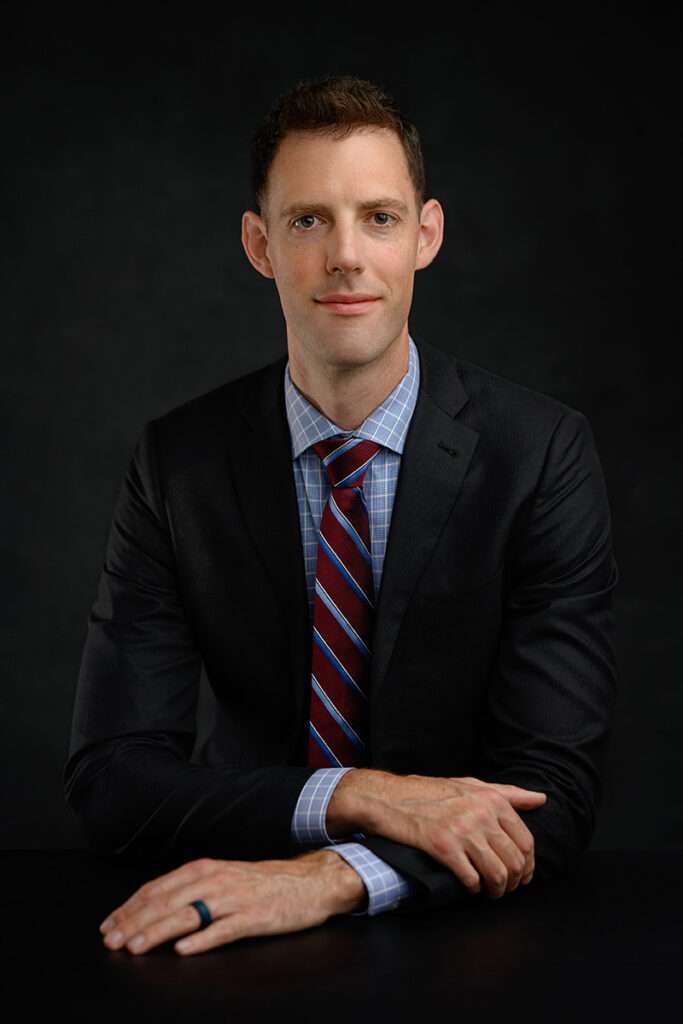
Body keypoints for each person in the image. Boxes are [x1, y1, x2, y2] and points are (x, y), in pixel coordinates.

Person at [64, 74, 618, 957]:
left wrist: (328, 877)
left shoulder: (539, 454)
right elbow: (111, 781)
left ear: (426, 235)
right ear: (259, 246)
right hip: (224, 936)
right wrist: (354, 793)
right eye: (308, 220)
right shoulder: (180, 463)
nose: (346, 256)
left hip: (472, 947)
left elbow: (552, 794)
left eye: (380, 218)